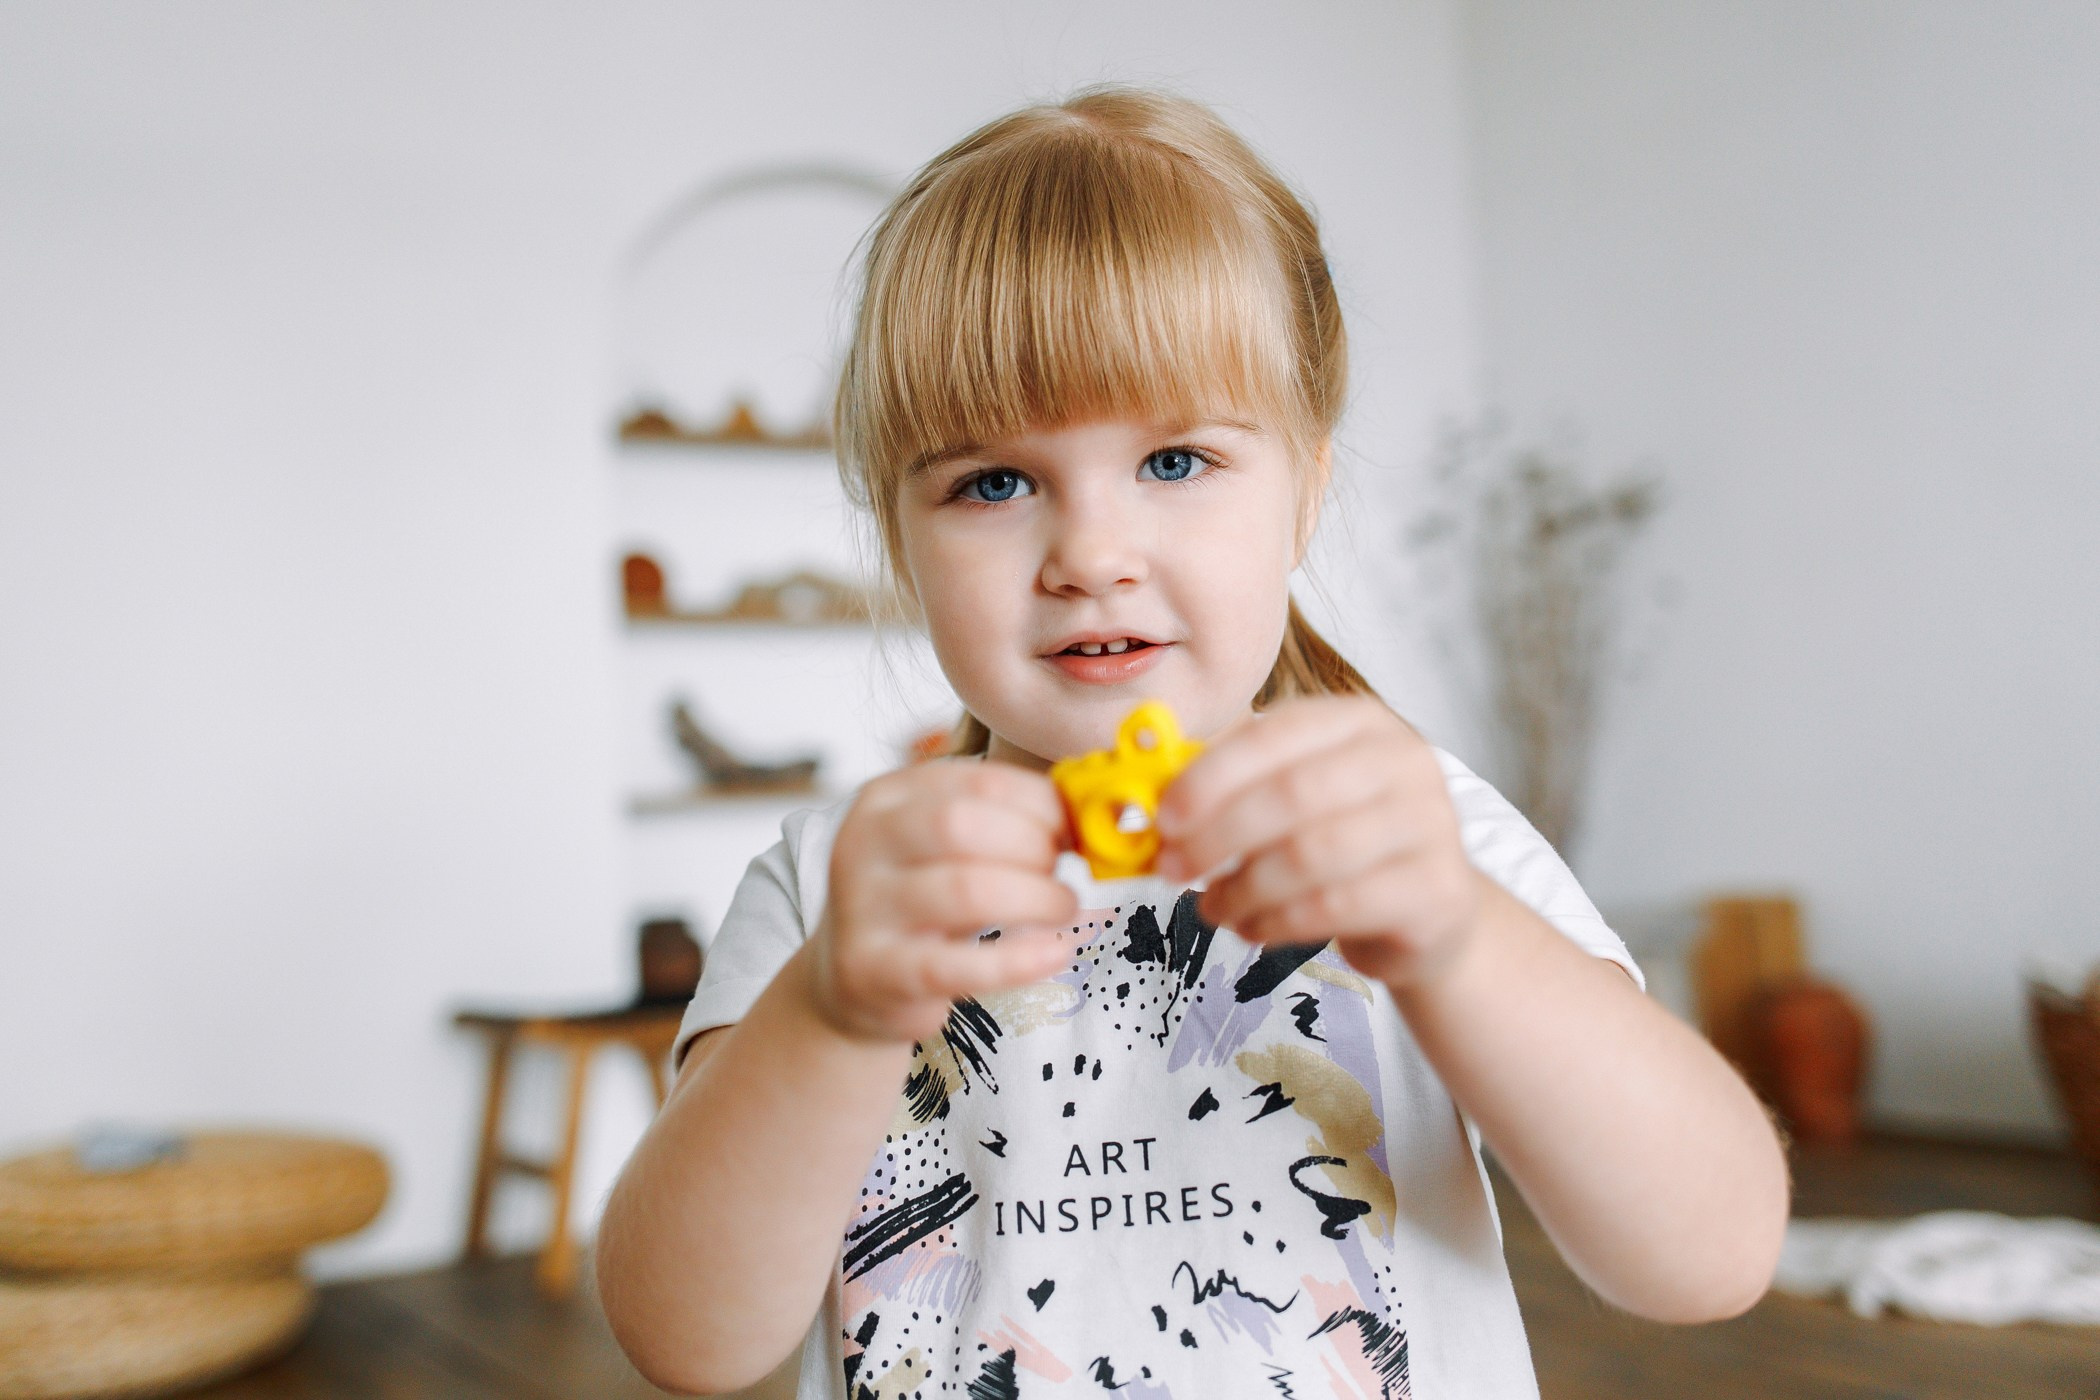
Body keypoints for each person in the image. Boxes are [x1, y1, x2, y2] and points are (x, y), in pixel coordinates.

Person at [597, 86, 1787, 1400]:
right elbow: (686, 1342)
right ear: (900, 539)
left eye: (1174, 460)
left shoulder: (1418, 840)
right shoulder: (838, 883)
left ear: (1305, 490)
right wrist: (830, 1013)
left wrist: (1459, 937)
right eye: (992, 483)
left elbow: (1708, 1259)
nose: (1092, 557)